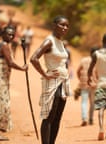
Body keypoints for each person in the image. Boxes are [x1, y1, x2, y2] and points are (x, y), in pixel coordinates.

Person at [30, 15, 70, 144]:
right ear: (54, 25)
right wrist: (45, 74)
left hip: (63, 83)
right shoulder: (49, 41)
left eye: (67, 26)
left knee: (57, 117)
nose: (65, 28)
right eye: (62, 25)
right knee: (49, 117)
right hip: (52, 83)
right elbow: (34, 58)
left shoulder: (61, 42)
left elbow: (63, 62)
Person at [76, 47, 98, 126]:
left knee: (84, 102)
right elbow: (98, 74)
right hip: (93, 85)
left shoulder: (84, 60)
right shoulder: (97, 62)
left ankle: (84, 118)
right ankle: (91, 119)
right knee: (92, 103)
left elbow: (78, 71)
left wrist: (80, 79)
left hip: (84, 84)